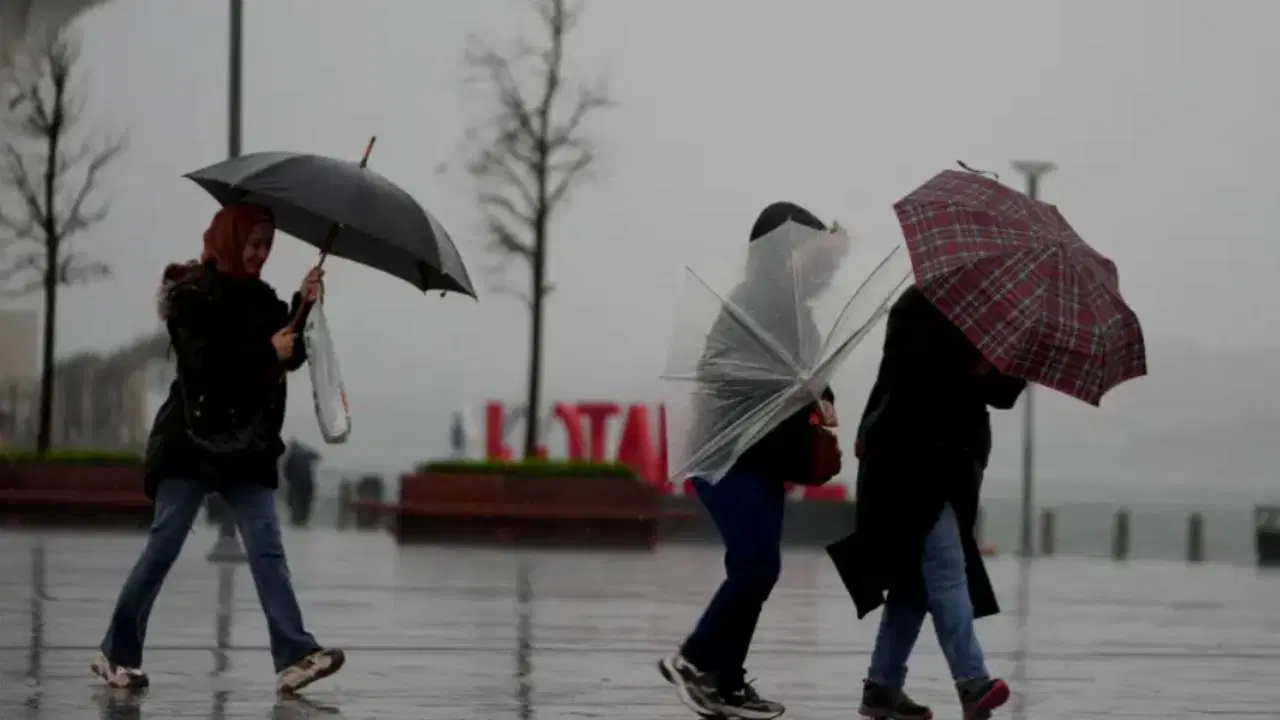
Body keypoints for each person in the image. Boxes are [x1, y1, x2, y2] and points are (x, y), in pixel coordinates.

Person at [91, 203, 345, 694]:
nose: (261, 254)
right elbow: (205, 366)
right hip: (191, 438)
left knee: (266, 548)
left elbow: (288, 351)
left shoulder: (263, 299)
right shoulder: (192, 298)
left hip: (247, 444)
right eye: (253, 244)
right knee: (165, 543)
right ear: (230, 239)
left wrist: (305, 302)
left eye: (267, 246)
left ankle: (294, 655)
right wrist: (267, 352)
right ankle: (116, 653)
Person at [660, 201, 843, 720]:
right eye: (808, 252)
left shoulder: (797, 312)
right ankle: (693, 660)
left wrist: (821, 397)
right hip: (728, 455)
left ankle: (727, 683)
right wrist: (791, 386)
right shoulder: (752, 303)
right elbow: (721, 372)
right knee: (757, 567)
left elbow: (809, 378)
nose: (819, 267)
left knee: (754, 568)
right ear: (782, 252)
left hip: (765, 458)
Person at [826, 285, 1025, 720]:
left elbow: (1004, 394)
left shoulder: (996, 316)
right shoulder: (919, 304)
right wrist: (976, 362)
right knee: (946, 569)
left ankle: (882, 687)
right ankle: (972, 681)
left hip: (955, 466)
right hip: (910, 461)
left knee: (912, 583)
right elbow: (917, 374)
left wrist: (1003, 360)